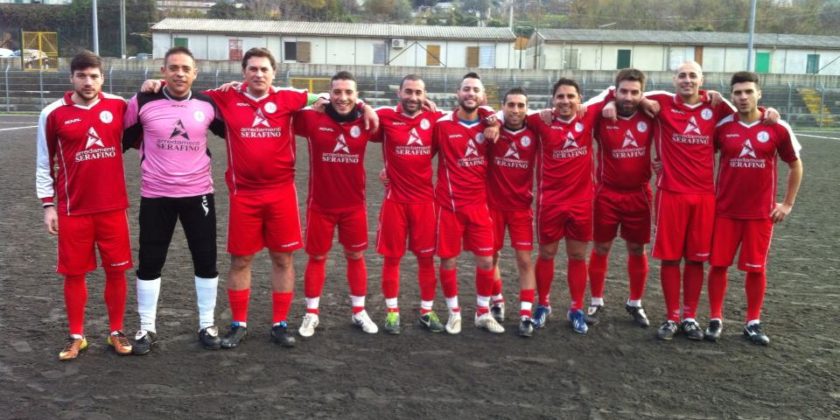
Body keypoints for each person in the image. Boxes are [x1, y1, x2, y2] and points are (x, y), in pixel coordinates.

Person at [122, 46, 226, 354]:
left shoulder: (208, 104)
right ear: (163, 71)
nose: (179, 73)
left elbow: (236, 130)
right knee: (150, 260)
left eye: (185, 68)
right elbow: (119, 140)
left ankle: (207, 324)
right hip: (156, 196)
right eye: (173, 68)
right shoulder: (142, 101)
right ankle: (146, 328)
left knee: (205, 259)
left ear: (195, 73)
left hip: (199, 194)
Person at [36, 51, 133, 360]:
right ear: (72, 78)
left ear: (102, 78)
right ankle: (77, 336)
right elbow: (44, 162)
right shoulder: (52, 113)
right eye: (81, 76)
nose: (88, 82)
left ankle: (116, 331)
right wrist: (48, 205)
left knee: (116, 272)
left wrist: (152, 86)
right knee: (74, 274)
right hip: (72, 209)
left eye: (93, 76)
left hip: (112, 207)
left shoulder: (119, 106)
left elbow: (150, 123)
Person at [641, 61, 737, 341]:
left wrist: (768, 113)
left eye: (692, 75)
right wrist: (630, 101)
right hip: (670, 194)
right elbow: (622, 92)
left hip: (705, 196)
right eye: (682, 76)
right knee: (670, 258)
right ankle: (672, 317)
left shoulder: (716, 105)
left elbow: (746, 115)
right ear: (674, 80)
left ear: (702, 80)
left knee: (696, 260)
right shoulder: (661, 103)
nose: (687, 80)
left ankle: (689, 317)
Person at [705, 71, 803, 345]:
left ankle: (752, 322)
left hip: (760, 214)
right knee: (718, 265)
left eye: (749, 91)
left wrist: (787, 203)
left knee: (756, 269)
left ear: (759, 94)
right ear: (732, 96)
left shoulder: (777, 127)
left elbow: (795, 165)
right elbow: (701, 153)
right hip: (724, 211)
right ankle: (715, 319)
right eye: (738, 92)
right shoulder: (722, 126)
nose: (743, 97)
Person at [294, 71, 379, 337]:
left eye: (349, 92)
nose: (343, 97)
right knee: (317, 257)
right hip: (320, 206)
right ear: (329, 94)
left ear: (357, 95)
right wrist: (312, 99)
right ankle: (311, 313)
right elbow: (280, 106)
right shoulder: (312, 119)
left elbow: (401, 121)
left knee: (355, 256)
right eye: (337, 92)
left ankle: (358, 311)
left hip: (354, 206)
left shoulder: (366, 121)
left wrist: (366, 107)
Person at [527, 78, 606, 335]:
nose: (565, 101)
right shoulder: (540, 121)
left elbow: (613, 91)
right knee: (547, 254)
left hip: (581, 202)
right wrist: (492, 121)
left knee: (577, 256)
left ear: (580, 99)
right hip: (550, 201)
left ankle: (576, 308)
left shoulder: (589, 115)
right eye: (560, 96)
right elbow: (508, 113)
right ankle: (543, 305)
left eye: (571, 96)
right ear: (552, 100)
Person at [372, 75, 444, 334]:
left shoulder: (435, 119)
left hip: (424, 202)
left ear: (425, 95)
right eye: (409, 92)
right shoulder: (385, 117)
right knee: (392, 258)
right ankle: (392, 312)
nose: (413, 97)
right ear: (399, 93)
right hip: (395, 201)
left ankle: (426, 311)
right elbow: (357, 114)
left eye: (418, 93)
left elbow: (469, 117)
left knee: (426, 259)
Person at [434, 72, 503, 334]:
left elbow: (515, 115)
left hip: (479, 206)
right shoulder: (442, 125)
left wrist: (493, 121)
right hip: (449, 207)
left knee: (486, 261)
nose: (470, 93)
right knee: (448, 261)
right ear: (458, 93)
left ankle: (483, 312)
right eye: (466, 89)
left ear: (483, 95)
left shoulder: (490, 126)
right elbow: (421, 154)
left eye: (475, 90)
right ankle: (454, 313)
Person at [587, 69, 654, 328]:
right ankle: (596, 300)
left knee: (637, 248)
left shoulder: (649, 115)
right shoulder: (602, 116)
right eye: (623, 91)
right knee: (601, 247)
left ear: (642, 94)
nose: (628, 97)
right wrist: (607, 101)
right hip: (606, 193)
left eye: (635, 92)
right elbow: (585, 105)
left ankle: (635, 302)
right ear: (615, 91)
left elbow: (670, 101)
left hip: (639, 194)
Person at [486, 87, 538, 337]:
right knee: (491, 258)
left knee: (525, 260)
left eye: (521, 105)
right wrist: (494, 122)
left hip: (521, 209)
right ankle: (497, 301)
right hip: (493, 207)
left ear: (527, 108)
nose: (515, 110)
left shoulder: (535, 132)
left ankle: (526, 314)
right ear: (503, 107)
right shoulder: (490, 132)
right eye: (511, 105)